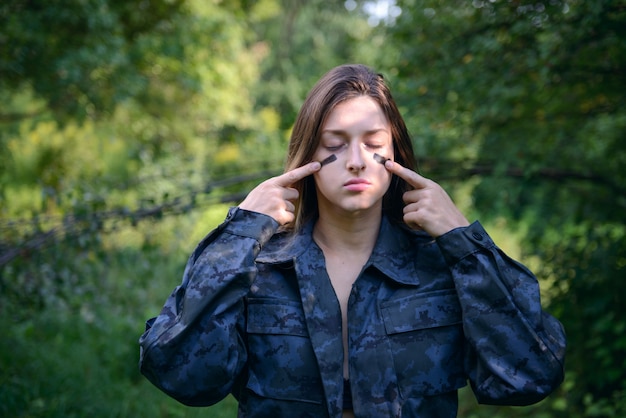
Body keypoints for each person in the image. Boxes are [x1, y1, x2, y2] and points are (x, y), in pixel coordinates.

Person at [139, 64, 566, 417]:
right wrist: (241, 232)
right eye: (335, 146)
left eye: (374, 143)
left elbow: (530, 374)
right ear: (309, 157)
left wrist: (462, 240)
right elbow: (180, 374)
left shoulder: (441, 267)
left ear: (395, 153)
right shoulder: (258, 270)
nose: (357, 162)